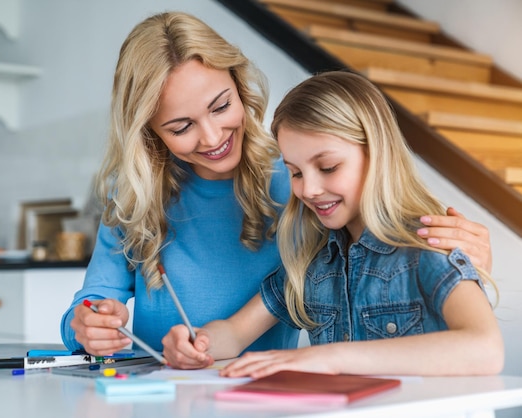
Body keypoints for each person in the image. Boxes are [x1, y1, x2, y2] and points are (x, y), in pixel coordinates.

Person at [60, 12, 494, 357]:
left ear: (239, 85)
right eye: (181, 126)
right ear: (150, 132)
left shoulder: (299, 182)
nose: (212, 138)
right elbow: (93, 302)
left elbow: (378, 254)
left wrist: (466, 263)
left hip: (260, 394)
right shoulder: (134, 192)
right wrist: (87, 322)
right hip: (161, 389)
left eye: (220, 106)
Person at [161, 71, 504, 378]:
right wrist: (196, 343)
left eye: (327, 167)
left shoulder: (429, 245)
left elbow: (485, 350)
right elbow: (235, 333)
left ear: (376, 155)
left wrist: (330, 358)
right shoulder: (311, 262)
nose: (308, 189)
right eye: (295, 172)